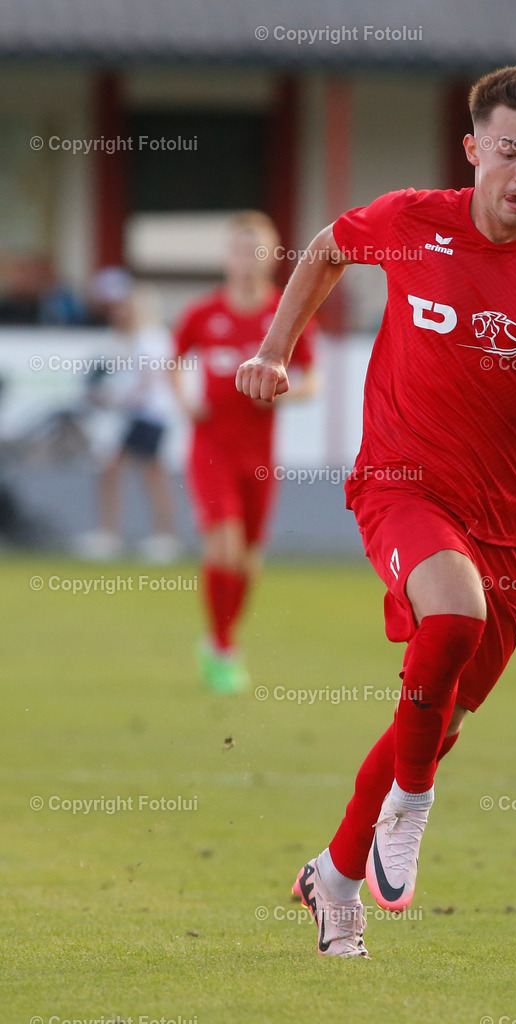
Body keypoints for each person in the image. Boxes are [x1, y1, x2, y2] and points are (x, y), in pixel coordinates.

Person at [236, 65, 516, 958]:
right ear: (473, 149)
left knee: (440, 713)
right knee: (450, 615)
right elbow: (329, 247)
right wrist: (274, 349)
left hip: (509, 519)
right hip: (399, 481)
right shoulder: (414, 219)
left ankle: (333, 876)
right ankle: (410, 805)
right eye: (508, 152)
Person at [170, 212, 317, 694]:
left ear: (274, 257)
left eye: (258, 250)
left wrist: (278, 391)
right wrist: (185, 400)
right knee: (225, 546)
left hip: (258, 455)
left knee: (250, 558)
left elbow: (313, 379)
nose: (248, 260)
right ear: (227, 257)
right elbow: (173, 359)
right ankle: (221, 645)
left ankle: (222, 642)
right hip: (211, 449)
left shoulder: (284, 312)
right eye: (240, 249)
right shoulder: (202, 312)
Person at [74, 268, 181, 563]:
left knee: (144, 474)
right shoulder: (131, 339)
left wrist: (111, 398)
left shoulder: (149, 339)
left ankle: (153, 537)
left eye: (125, 307)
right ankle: (126, 535)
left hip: (150, 416)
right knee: (130, 473)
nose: (119, 313)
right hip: (142, 416)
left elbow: (146, 385)